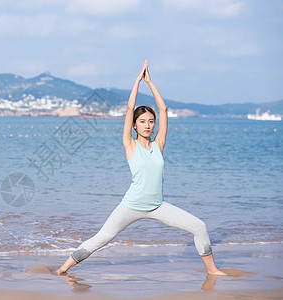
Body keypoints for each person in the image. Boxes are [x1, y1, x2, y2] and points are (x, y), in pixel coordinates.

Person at [54, 60, 227, 276]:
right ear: (135, 125)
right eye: (142, 121)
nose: (147, 125)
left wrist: (151, 82)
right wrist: (137, 82)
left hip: (158, 206)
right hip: (131, 205)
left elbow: (163, 109)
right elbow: (129, 108)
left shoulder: (158, 145)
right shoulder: (129, 145)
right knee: (103, 238)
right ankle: (62, 269)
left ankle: (213, 271)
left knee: (199, 226)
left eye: (151, 121)